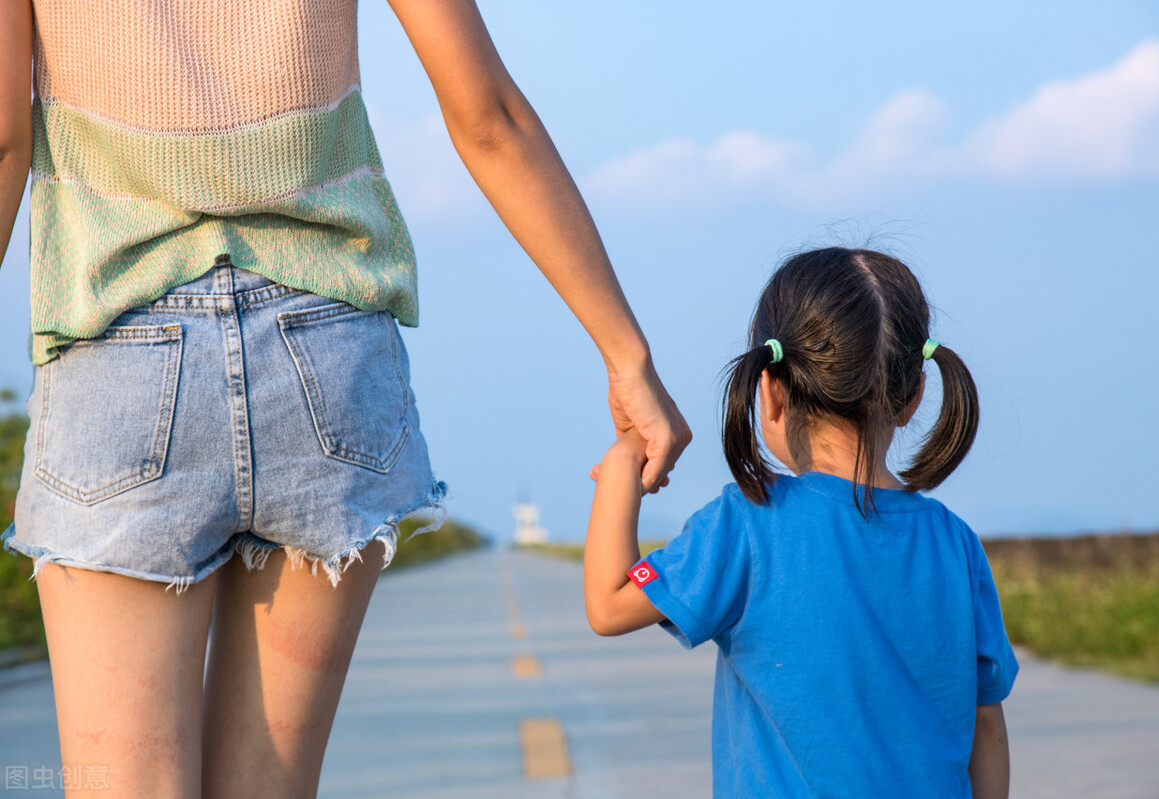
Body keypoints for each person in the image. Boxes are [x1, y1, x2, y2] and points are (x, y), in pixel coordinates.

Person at [0, 1, 689, 796]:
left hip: (121, 356)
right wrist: (624, 353)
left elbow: (5, 138)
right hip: (327, 359)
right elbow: (489, 116)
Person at [584, 247, 1017, 798]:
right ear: (914, 397)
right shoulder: (954, 544)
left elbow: (609, 602)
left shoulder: (747, 524)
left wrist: (625, 460)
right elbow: (985, 720)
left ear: (769, 389)